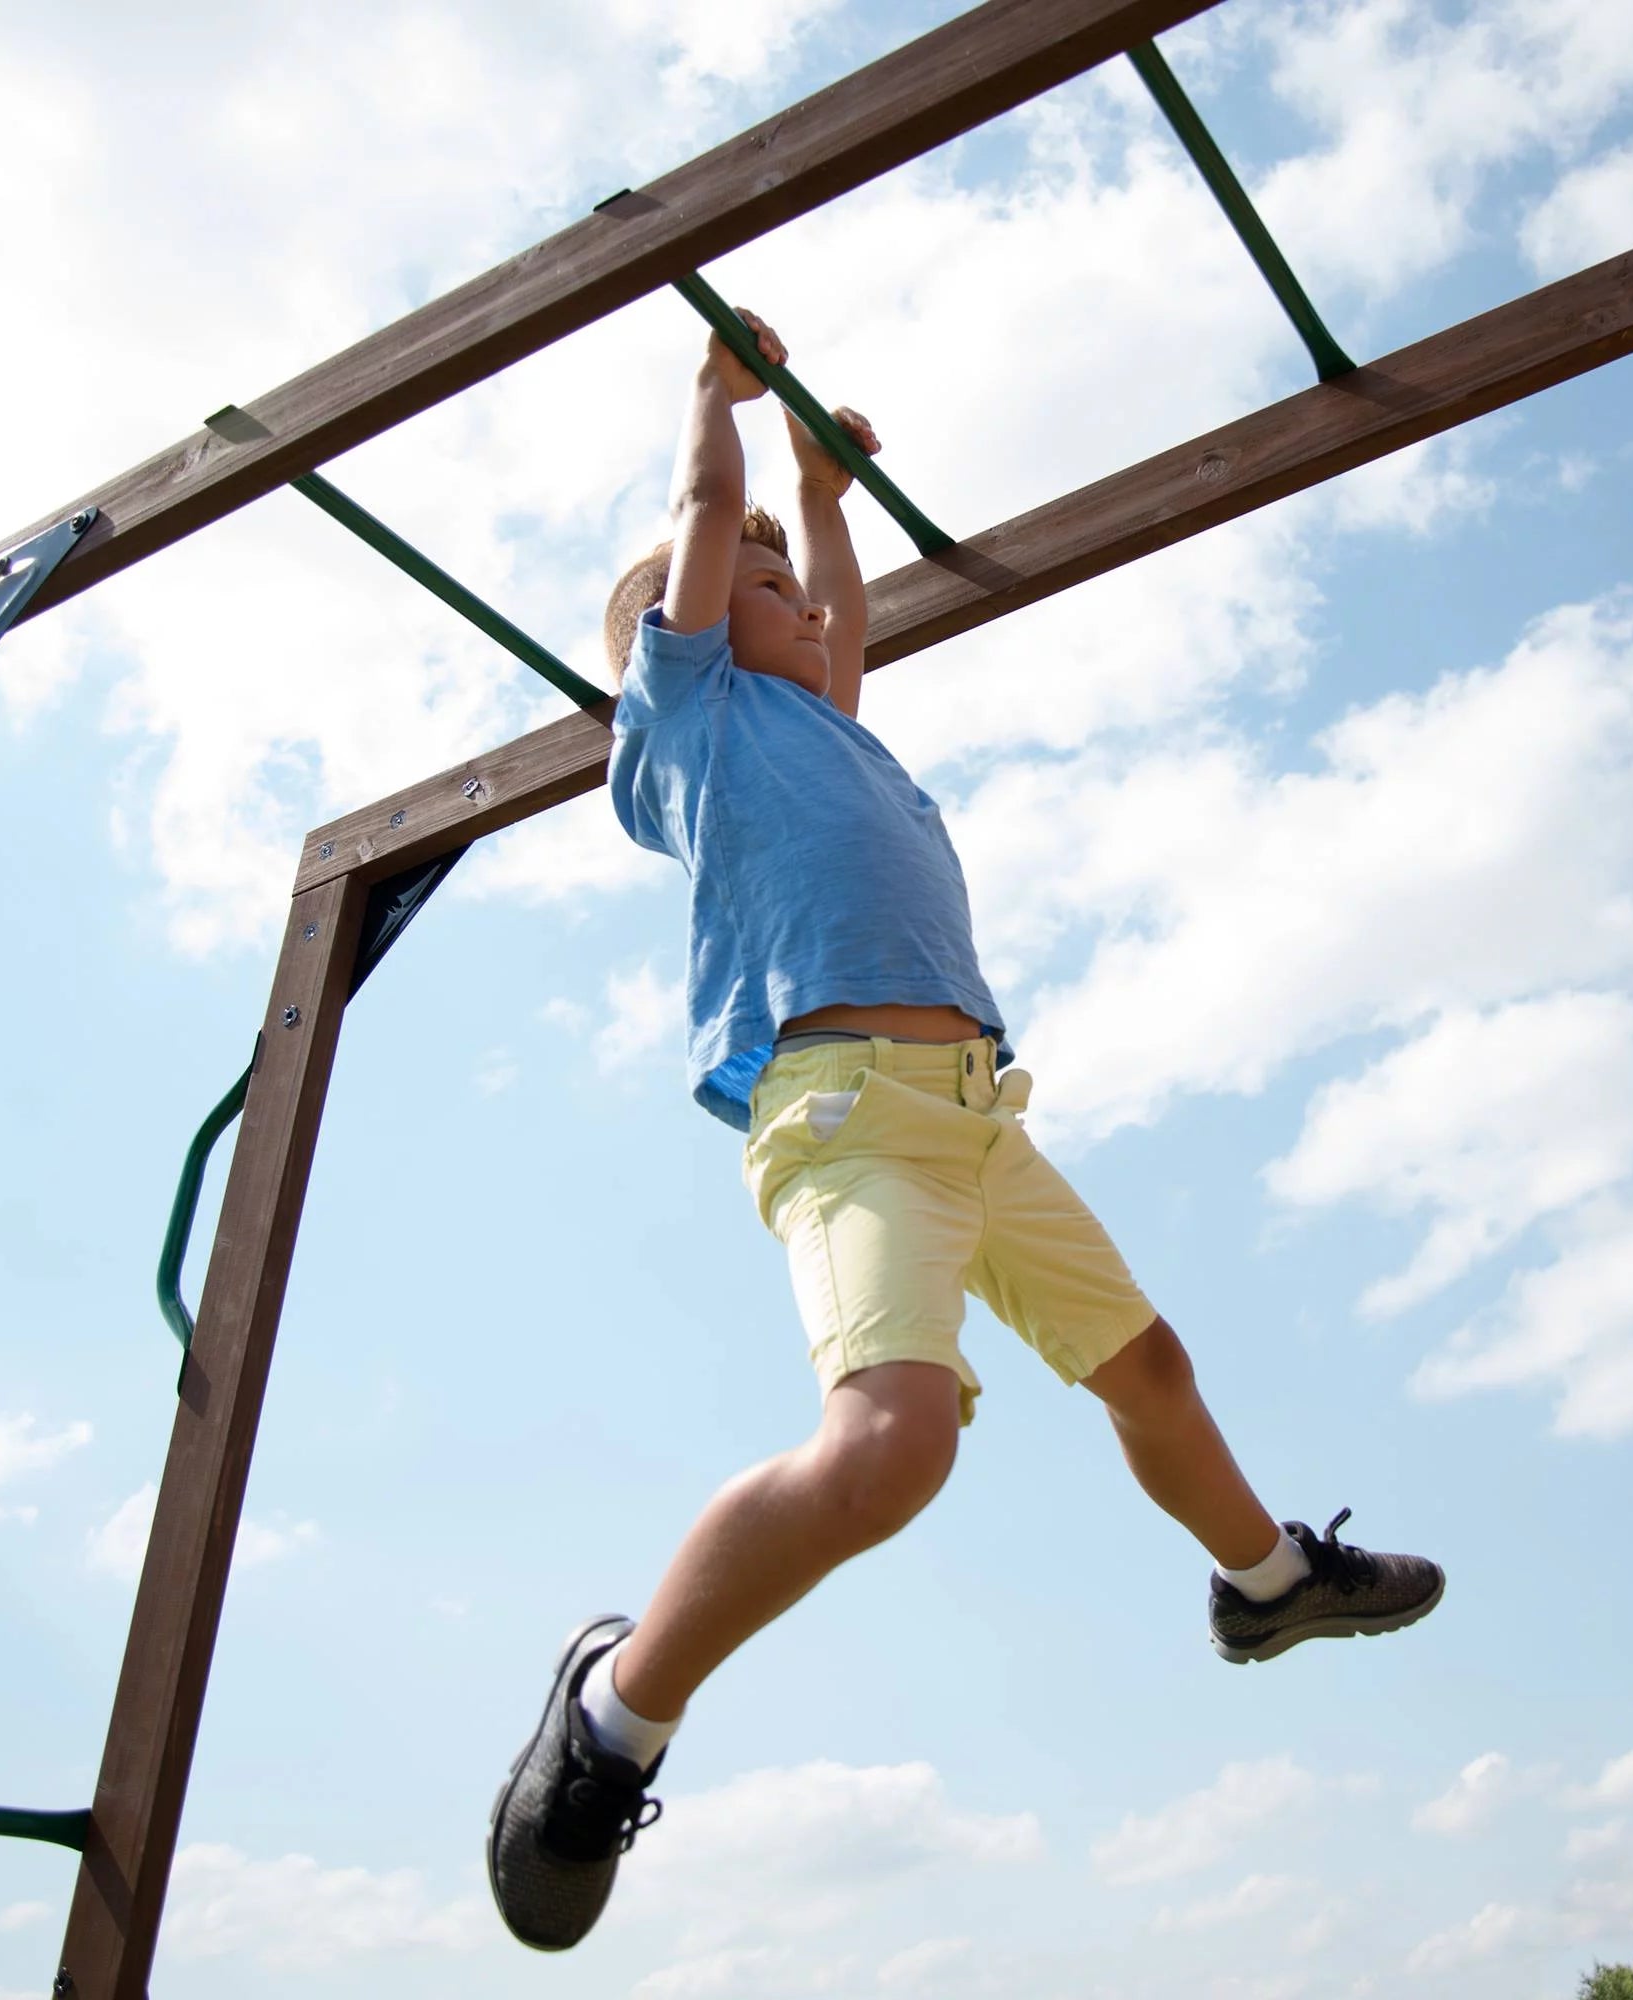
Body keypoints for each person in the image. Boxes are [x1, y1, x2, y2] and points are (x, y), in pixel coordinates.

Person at [487, 311, 1444, 1952]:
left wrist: (824, 489)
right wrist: (714, 412)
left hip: (980, 1125)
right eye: (757, 593)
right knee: (892, 1446)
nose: (794, 606)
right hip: (845, 1116)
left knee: (1149, 1365)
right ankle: (611, 1718)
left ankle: (1269, 1584)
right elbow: (708, 542)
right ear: (681, 630)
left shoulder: (829, 722)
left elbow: (841, 617)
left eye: (790, 594)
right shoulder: (693, 723)